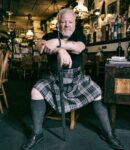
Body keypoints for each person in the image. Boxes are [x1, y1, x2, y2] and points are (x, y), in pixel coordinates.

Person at [21, 8, 124, 150]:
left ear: (74, 24)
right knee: (35, 91)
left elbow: (78, 48)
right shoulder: (50, 34)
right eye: (63, 22)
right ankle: (37, 133)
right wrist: (60, 50)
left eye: (70, 22)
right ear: (58, 23)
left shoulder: (79, 35)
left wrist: (58, 44)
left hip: (77, 79)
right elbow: (40, 47)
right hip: (54, 78)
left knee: (97, 92)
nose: (66, 25)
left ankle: (108, 134)